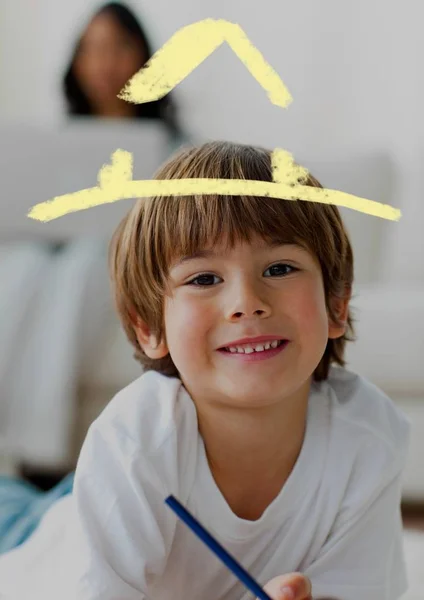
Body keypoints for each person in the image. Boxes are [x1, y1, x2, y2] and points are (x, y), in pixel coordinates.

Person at [0, 141, 411, 600]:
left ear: (336, 304)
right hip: (31, 539)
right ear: (148, 326)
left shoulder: (368, 435)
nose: (247, 303)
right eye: (203, 279)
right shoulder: (138, 437)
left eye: (279, 268)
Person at [63, 1, 181, 137]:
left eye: (120, 48)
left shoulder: (180, 148)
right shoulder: (59, 142)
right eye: (95, 50)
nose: (107, 65)